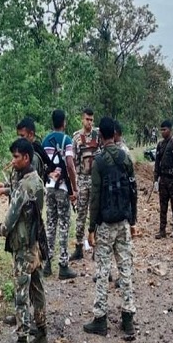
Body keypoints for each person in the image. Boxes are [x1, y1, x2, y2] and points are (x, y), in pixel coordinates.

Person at [83, 117, 138, 340]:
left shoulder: (99, 162)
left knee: (103, 270)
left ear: (99, 136)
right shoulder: (125, 157)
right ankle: (128, 319)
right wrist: (133, 221)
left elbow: (95, 197)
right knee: (125, 268)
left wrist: (91, 227)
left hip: (105, 224)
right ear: (114, 134)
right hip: (124, 222)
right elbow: (133, 190)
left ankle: (100, 319)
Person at [0, 139, 48, 343]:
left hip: (24, 246)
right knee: (37, 288)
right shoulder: (37, 181)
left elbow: (10, 219)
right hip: (35, 243)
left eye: (16, 157)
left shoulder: (25, 185)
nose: (13, 160)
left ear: (26, 157)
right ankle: (42, 334)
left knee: (20, 295)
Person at [41, 109, 78, 280]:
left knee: (50, 224)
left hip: (48, 187)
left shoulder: (45, 141)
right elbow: (70, 165)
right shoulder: (67, 140)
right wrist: (74, 188)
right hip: (63, 188)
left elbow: (42, 165)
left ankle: (47, 264)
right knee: (63, 225)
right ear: (64, 122)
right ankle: (63, 265)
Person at [71, 108, 100, 261]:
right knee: (81, 214)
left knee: (95, 214)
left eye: (91, 119)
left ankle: (97, 248)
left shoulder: (98, 135)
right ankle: (78, 248)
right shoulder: (76, 137)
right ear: (82, 119)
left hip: (95, 181)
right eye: (87, 119)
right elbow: (74, 162)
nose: (89, 122)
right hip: (82, 180)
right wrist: (74, 185)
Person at [153, 120, 173, 239]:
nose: (162, 132)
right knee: (163, 206)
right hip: (163, 179)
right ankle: (162, 230)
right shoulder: (160, 145)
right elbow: (157, 163)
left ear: (170, 130)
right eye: (161, 130)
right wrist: (156, 179)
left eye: (164, 130)